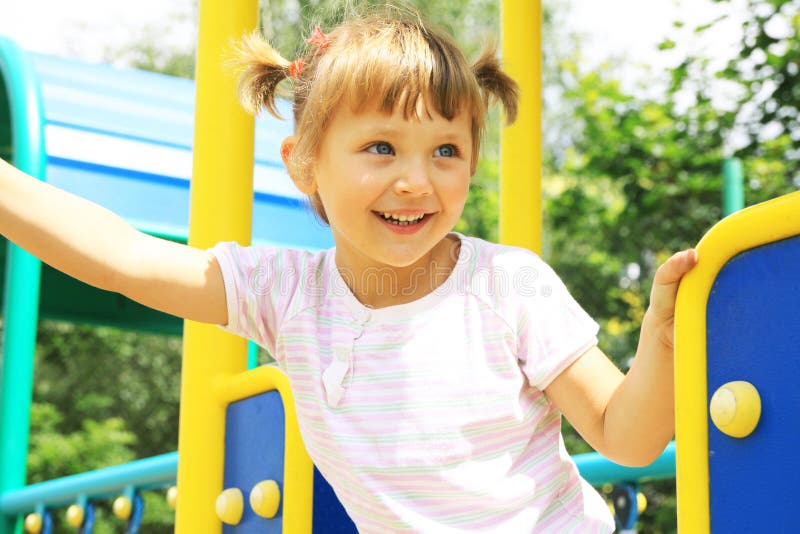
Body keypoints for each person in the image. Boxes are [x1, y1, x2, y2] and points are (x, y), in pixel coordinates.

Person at [0, 3, 697, 532]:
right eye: (381, 149)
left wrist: (662, 343)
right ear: (305, 164)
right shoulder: (286, 295)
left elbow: (626, 438)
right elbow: (123, 258)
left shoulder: (507, 286)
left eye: (446, 151)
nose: (417, 180)